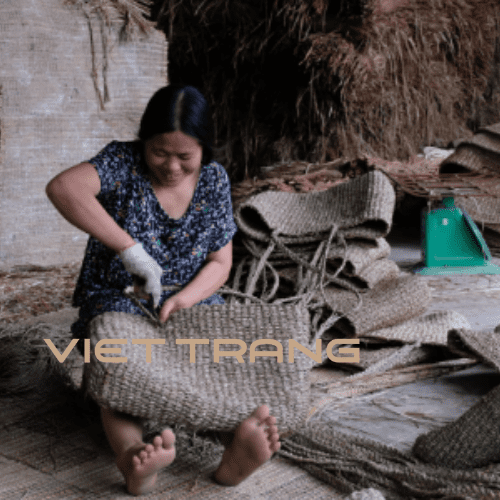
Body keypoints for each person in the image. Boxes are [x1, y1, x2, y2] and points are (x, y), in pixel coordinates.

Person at [46, 84, 281, 496]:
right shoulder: (122, 161)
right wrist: (129, 249)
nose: (172, 166)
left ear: (204, 150)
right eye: (159, 152)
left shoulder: (212, 180)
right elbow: (64, 188)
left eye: (185, 157)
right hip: (121, 296)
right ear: (143, 142)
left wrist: (184, 298)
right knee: (118, 361)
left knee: (215, 364)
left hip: (190, 296)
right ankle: (132, 455)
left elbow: (220, 262)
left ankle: (233, 451)